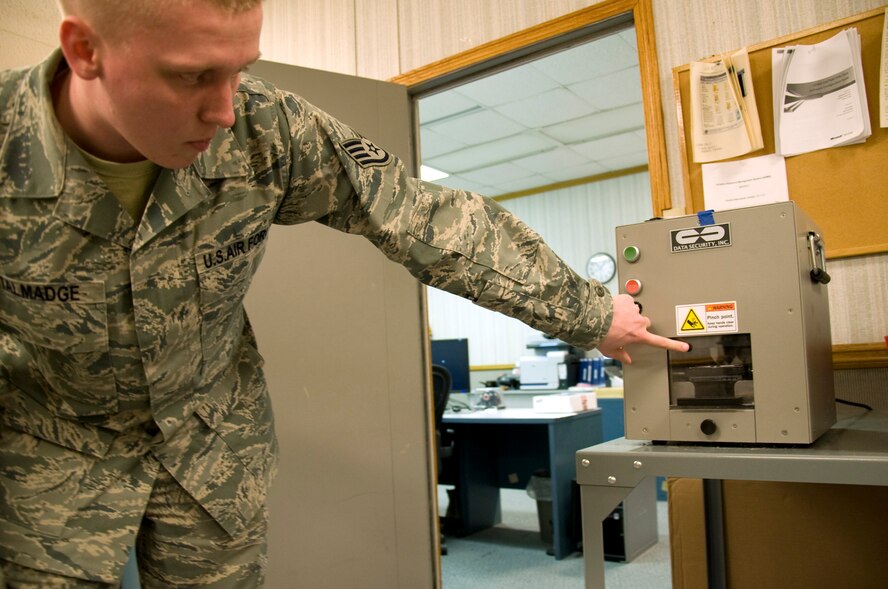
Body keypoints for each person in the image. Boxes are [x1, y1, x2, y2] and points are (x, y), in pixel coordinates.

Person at [0, 0, 689, 586]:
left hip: (209, 455)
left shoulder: (265, 128)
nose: (225, 110)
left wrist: (588, 313)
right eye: (191, 75)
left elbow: (421, 216)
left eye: (240, 70)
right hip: (43, 465)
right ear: (85, 51)